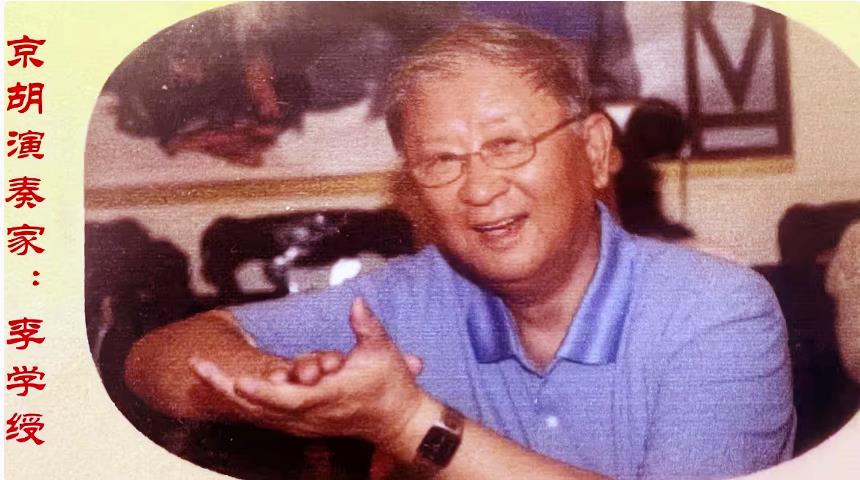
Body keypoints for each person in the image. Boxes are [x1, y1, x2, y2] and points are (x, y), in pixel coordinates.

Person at [125, 21, 795, 479]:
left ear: (594, 151)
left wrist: (408, 421)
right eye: (441, 161)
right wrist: (280, 387)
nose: (478, 188)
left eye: (507, 145)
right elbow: (152, 361)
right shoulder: (411, 297)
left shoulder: (716, 309)